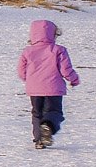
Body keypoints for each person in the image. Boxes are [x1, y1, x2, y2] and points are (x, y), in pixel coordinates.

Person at [17, 18, 80, 149]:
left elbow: (21, 70)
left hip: (34, 88)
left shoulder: (27, 51)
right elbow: (65, 69)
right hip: (53, 88)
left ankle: (39, 139)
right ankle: (48, 126)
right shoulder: (58, 50)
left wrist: (28, 79)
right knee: (54, 111)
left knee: (37, 113)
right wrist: (73, 79)